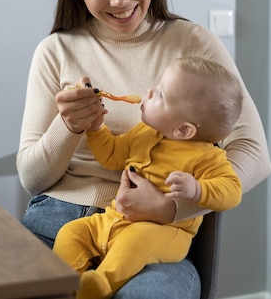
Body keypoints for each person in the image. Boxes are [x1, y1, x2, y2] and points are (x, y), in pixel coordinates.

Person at [16, 0, 271, 299]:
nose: (119, 1)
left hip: (154, 236)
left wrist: (172, 207)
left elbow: (254, 151)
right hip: (58, 220)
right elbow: (32, 179)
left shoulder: (194, 44)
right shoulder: (55, 51)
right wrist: (68, 127)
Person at [53, 56, 244, 299]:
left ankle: (99, 285)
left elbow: (232, 191)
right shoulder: (145, 132)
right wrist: (96, 128)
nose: (150, 91)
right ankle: (64, 286)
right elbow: (111, 155)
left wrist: (197, 190)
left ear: (184, 130)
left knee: (135, 242)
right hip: (113, 219)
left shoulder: (208, 157)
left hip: (163, 232)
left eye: (161, 95)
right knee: (72, 232)